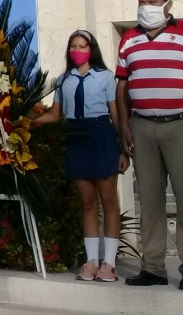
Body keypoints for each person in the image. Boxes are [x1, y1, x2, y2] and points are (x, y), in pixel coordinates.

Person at [116, 0, 183, 291]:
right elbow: (122, 87)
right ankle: (153, 268)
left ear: (167, 5)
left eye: (151, 2)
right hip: (143, 127)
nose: (145, 8)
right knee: (149, 201)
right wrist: (124, 126)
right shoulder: (129, 40)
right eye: (141, 2)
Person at [34, 30, 128, 282]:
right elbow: (55, 115)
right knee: (87, 202)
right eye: (73, 45)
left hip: (101, 135)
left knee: (108, 201)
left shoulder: (106, 77)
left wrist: (123, 147)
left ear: (92, 49)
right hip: (75, 137)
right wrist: (27, 121)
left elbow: (115, 113)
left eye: (82, 45)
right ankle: (91, 261)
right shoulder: (63, 80)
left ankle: (109, 263)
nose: (77, 50)